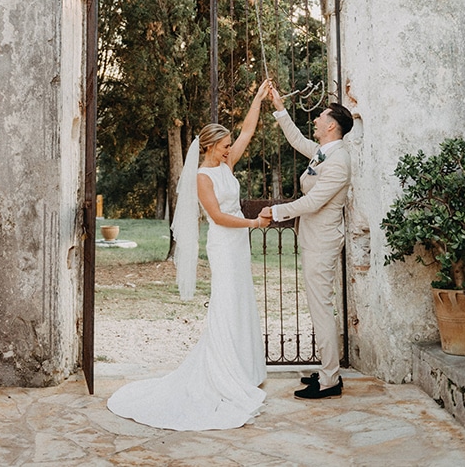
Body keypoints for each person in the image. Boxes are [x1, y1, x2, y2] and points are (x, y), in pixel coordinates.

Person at [107, 81, 272, 430]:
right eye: (226, 146)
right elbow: (217, 216)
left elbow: (248, 130)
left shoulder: (227, 164)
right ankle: (222, 372)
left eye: (230, 146)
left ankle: (245, 368)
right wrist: (254, 222)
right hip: (224, 244)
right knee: (225, 302)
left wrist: (257, 99)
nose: (231, 149)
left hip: (238, 245)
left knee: (241, 300)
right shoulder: (202, 175)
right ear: (211, 146)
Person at [260, 87, 353, 400]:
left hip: (323, 241)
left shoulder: (339, 161)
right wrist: (278, 107)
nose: (315, 120)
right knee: (319, 307)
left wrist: (276, 212)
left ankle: (330, 381)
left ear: (331, 126)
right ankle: (328, 371)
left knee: (322, 309)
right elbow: (298, 140)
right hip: (314, 238)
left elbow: (313, 202)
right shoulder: (324, 151)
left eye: (320, 118)